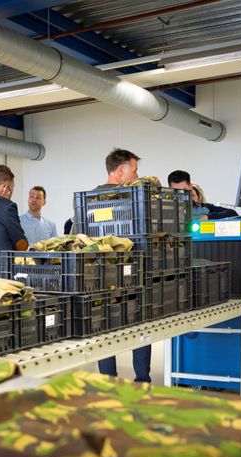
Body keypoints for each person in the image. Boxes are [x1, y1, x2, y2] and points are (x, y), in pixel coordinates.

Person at [95, 148, 152, 383]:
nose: (137, 175)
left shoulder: (90, 198)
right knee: (139, 324)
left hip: (100, 274)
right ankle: (142, 379)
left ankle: (109, 380)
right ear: (121, 171)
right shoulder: (133, 198)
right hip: (134, 270)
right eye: (135, 170)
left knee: (104, 327)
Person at [167, 169, 237, 220]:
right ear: (169, 189)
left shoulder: (204, 208)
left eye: (184, 190)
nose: (181, 194)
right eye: (177, 190)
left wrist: (207, 217)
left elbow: (232, 213)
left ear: (190, 187)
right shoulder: (164, 209)